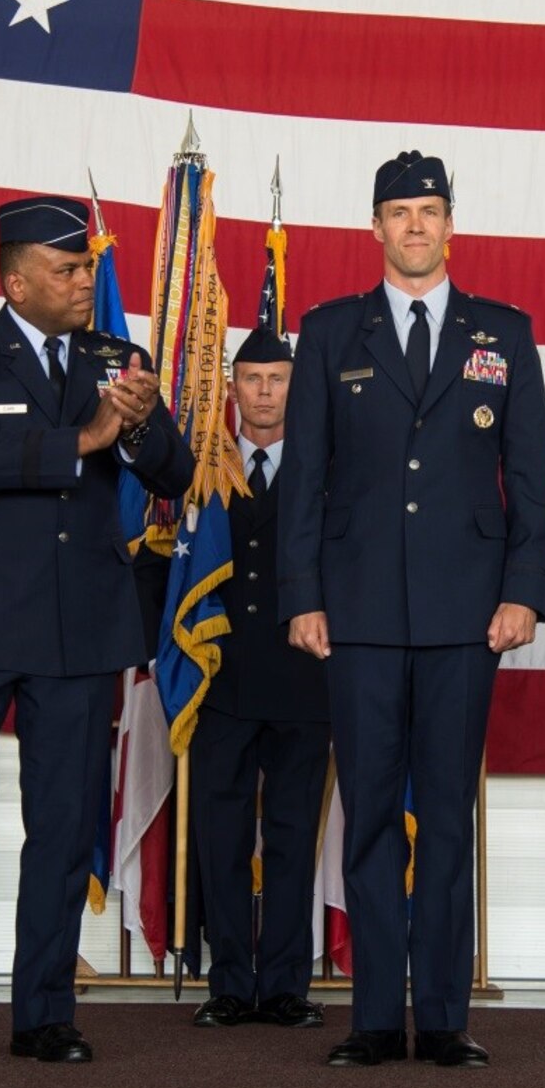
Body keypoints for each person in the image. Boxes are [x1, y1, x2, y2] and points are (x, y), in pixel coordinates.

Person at [279, 151, 545, 1068]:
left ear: (452, 225)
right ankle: (370, 1019)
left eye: (429, 210)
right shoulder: (328, 332)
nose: (414, 226)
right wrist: (303, 597)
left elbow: (533, 478)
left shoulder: (504, 332)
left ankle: (440, 1016)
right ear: (374, 227)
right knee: (365, 818)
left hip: (466, 614)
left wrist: (524, 591)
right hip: (355, 611)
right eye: (398, 211)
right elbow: (305, 482)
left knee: (444, 816)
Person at [0, 195, 193, 1064]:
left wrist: (139, 422)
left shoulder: (115, 356)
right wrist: (88, 433)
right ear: (15, 279)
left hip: (80, 620)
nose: (84, 282)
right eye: (66, 271)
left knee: (64, 819)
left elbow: (174, 470)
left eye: (88, 268)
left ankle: (44, 1008)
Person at [188, 328, 330, 1031]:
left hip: (305, 677)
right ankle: (227, 983)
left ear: (295, 386)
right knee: (220, 833)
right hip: (221, 677)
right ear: (233, 387)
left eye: (278, 378)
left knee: (291, 832)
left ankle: (283, 984)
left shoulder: (323, 468)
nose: (266, 391)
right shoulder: (201, 469)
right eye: (253, 378)